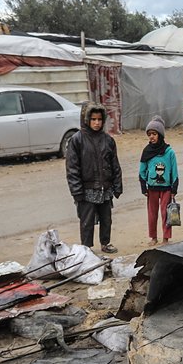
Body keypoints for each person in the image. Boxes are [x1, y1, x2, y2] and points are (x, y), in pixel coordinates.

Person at [65, 103, 122, 254]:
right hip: (86, 189)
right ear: (86, 119)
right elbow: (72, 169)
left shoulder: (108, 140)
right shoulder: (77, 140)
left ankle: (105, 243)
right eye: (93, 119)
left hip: (105, 188)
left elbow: (114, 164)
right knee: (87, 220)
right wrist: (76, 191)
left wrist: (117, 185)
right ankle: (87, 247)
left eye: (99, 119)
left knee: (106, 218)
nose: (97, 123)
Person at [138, 118, 179, 244]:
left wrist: (173, 189)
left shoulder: (169, 152)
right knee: (152, 214)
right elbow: (142, 171)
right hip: (152, 189)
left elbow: (174, 172)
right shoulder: (146, 151)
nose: (151, 137)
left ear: (160, 135)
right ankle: (153, 237)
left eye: (154, 134)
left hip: (166, 188)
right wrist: (144, 188)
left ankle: (165, 238)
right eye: (149, 134)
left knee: (165, 214)